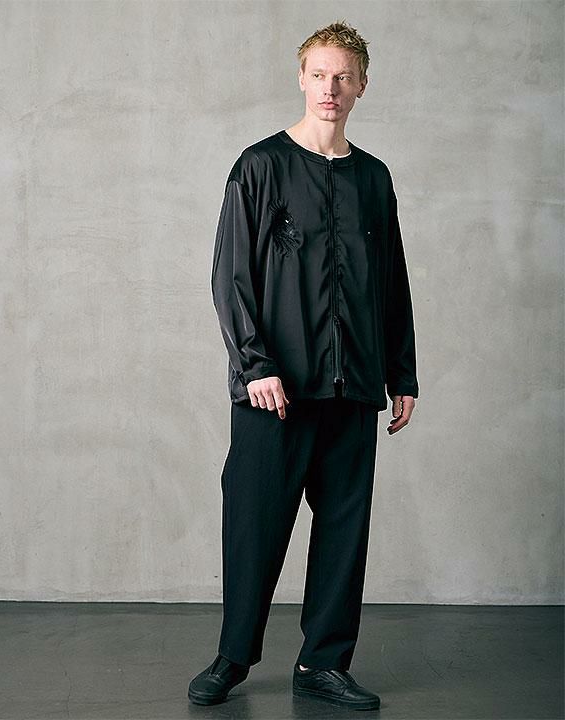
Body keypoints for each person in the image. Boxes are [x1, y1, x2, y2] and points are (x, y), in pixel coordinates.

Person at [188, 19, 419, 712]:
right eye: (319, 74)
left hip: (354, 385)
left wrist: (401, 373)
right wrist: (254, 366)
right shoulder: (259, 167)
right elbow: (231, 277)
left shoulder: (373, 179)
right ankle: (233, 655)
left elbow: (392, 281)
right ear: (301, 79)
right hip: (275, 390)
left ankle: (323, 662)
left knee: (345, 529)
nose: (330, 88)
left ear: (362, 86)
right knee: (254, 524)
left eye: (343, 76)